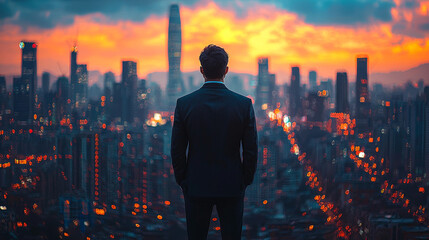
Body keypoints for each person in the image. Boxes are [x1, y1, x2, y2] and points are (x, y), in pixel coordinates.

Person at [171, 44, 258, 240]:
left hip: (196, 184)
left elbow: (177, 150)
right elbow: (251, 150)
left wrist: (184, 180)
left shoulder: (184, 104)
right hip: (232, 183)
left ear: (202, 70)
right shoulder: (243, 105)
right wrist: (244, 180)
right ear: (226, 70)